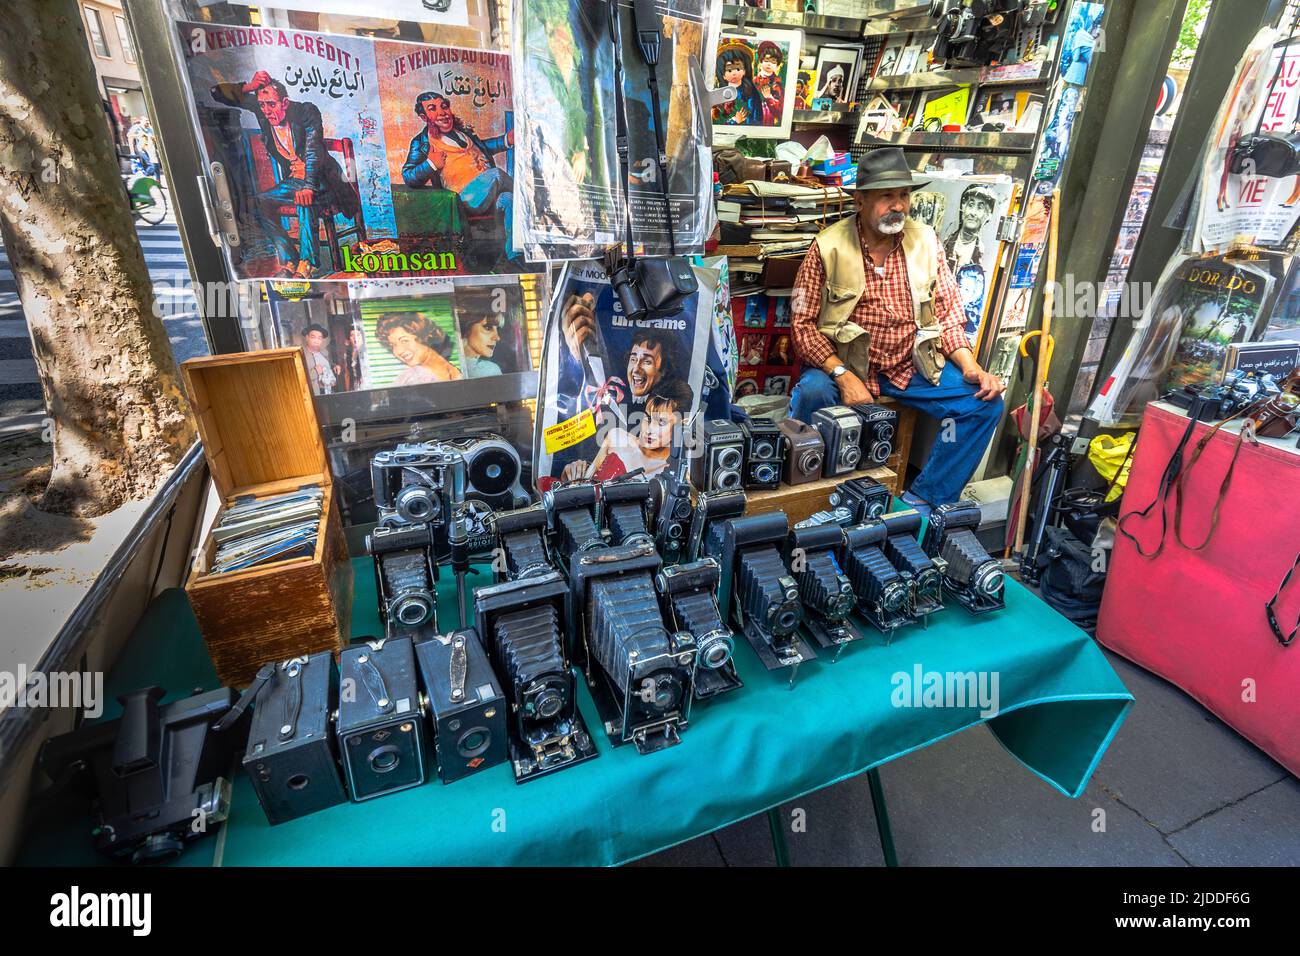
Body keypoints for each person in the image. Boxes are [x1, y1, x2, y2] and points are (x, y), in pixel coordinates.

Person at [786, 148, 1005, 514]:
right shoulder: (828, 246)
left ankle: (925, 500)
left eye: (904, 194)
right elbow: (803, 326)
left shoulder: (926, 241)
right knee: (812, 393)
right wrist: (841, 374)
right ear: (861, 200)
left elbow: (949, 314)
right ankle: (810, 494)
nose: (899, 205)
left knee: (983, 405)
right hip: (846, 365)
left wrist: (970, 367)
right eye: (887, 196)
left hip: (909, 365)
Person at [211, 72, 360, 279]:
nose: (266, 111)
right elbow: (216, 93)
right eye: (262, 105)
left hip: (323, 181)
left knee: (303, 199)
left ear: (285, 102)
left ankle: (307, 264)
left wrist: (308, 186)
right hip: (294, 182)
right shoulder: (263, 112)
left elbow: (313, 150)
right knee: (259, 203)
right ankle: (289, 260)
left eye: (271, 104)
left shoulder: (306, 112)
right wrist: (248, 86)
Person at [402, 92, 516, 260]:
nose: (442, 112)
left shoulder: (463, 133)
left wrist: (507, 140)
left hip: (489, 195)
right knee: (497, 174)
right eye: (433, 109)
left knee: (509, 198)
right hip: (464, 200)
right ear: (423, 116)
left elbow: (483, 147)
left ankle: (515, 256)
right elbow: (408, 175)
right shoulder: (422, 142)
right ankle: (529, 200)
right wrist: (431, 164)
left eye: (444, 106)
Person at [561, 378, 693, 482]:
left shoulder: (675, 475)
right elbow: (584, 484)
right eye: (647, 418)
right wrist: (573, 472)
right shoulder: (616, 438)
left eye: (661, 422)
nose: (649, 429)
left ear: (682, 424)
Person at [376, 311, 461, 386]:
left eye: (405, 341)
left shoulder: (455, 371)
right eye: (393, 345)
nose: (399, 351)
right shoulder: (410, 378)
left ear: (425, 336)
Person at [943, 182, 998, 271]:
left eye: (980, 208)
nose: (973, 213)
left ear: (988, 214)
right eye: (970, 205)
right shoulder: (946, 242)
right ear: (963, 208)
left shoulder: (984, 252)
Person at [713, 43, 763, 126]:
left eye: (738, 68)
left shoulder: (751, 92)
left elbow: (757, 117)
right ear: (723, 75)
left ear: (744, 71)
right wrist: (734, 120)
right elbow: (717, 120)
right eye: (729, 70)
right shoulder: (720, 94)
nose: (734, 73)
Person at [458, 309, 504, 377]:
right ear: (467, 329)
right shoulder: (490, 370)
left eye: (497, 330)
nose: (497, 338)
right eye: (488, 328)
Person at [754, 41, 785, 127]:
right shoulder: (754, 81)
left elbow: (781, 111)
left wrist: (769, 97)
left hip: (769, 122)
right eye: (766, 60)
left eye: (773, 62)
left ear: (777, 65)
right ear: (761, 61)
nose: (769, 64)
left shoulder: (778, 84)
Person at [301, 323, 337, 394]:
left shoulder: (325, 354)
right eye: (313, 337)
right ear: (307, 337)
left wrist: (334, 367)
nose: (316, 341)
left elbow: (328, 368)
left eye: (319, 338)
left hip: (328, 395)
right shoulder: (301, 356)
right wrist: (315, 372)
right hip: (312, 397)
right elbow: (298, 378)